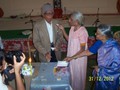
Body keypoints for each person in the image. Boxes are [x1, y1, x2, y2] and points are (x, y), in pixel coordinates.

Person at [57, 11, 88, 90]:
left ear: (76, 22)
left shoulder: (83, 32)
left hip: (79, 58)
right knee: (72, 74)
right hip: (71, 55)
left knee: (78, 76)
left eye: (71, 19)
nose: (69, 21)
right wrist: (63, 30)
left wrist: (72, 57)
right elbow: (69, 39)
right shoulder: (72, 28)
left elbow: (82, 49)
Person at [93, 24, 120, 90]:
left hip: (109, 79)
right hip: (102, 75)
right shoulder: (104, 44)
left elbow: (116, 68)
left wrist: (100, 70)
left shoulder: (114, 48)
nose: (95, 34)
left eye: (97, 33)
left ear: (103, 36)